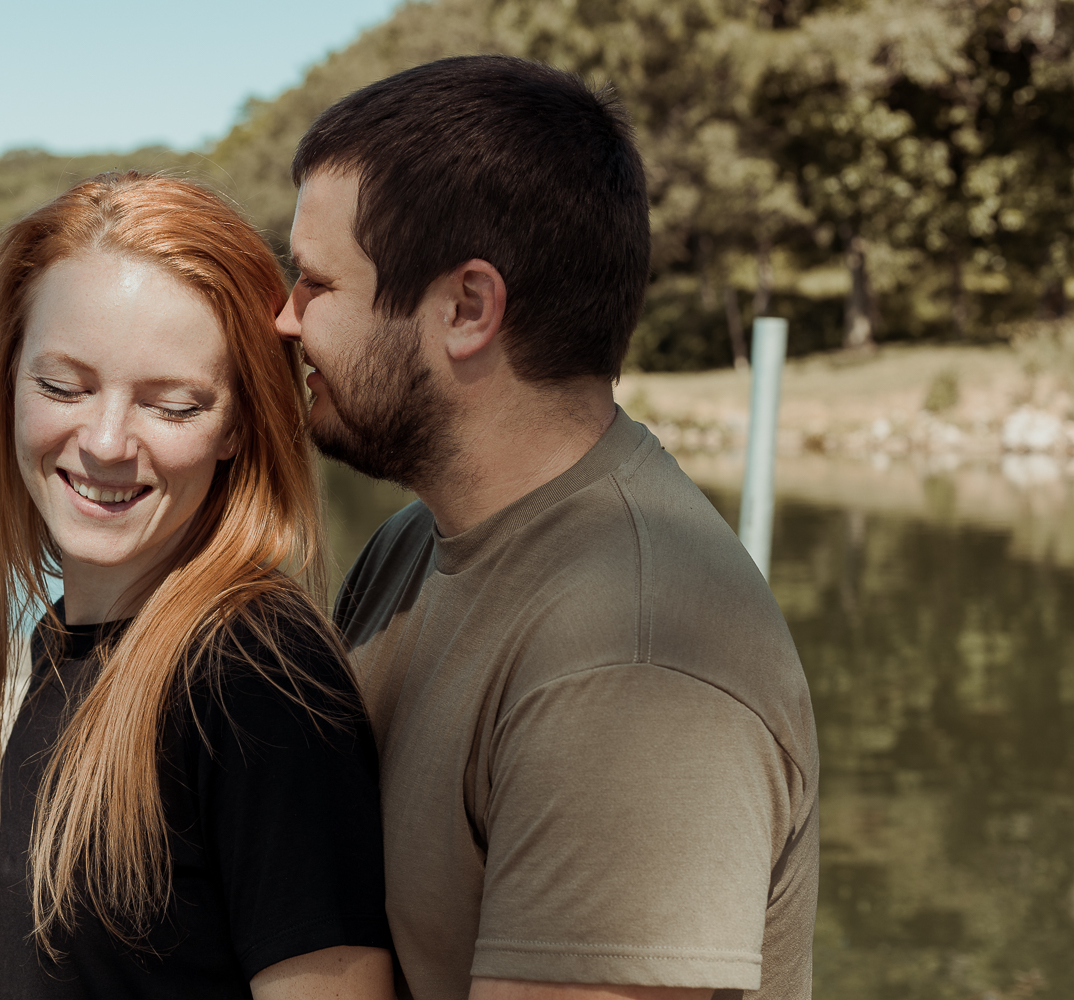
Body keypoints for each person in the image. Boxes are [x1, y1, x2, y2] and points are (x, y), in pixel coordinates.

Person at [276, 56, 819, 1000]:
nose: (282, 320)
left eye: (314, 284)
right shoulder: (411, 547)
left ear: (468, 309)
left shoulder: (634, 666)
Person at [0, 172, 395, 1000]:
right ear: (8, 378)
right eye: (64, 386)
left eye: (173, 405)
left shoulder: (254, 680)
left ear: (237, 424)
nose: (107, 442)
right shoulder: (78, 636)